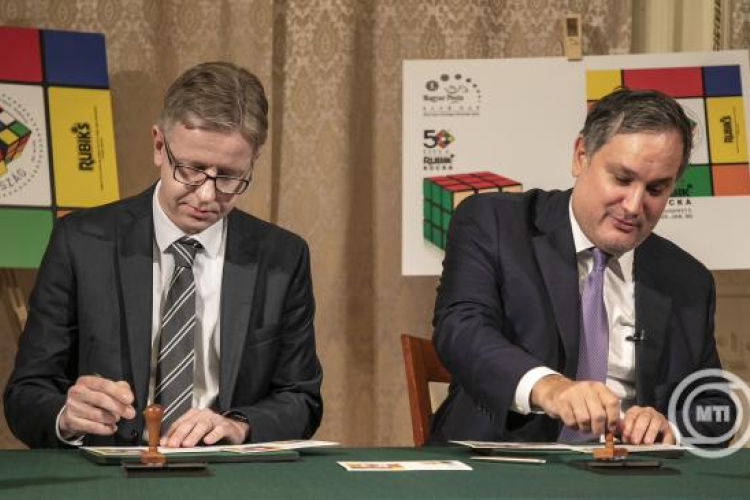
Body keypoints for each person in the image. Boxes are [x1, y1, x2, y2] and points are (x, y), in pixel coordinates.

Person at [4, 62, 323, 448]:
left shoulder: (282, 257)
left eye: (228, 176)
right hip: (112, 466)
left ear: (251, 162)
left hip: (227, 468)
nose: (206, 195)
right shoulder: (81, 242)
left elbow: (301, 398)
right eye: (191, 169)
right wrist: (66, 416)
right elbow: (26, 393)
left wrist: (240, 426)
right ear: (159, 146)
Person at [430, 87, 734, 445]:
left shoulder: (687, 279)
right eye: (622, 179)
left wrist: (671, 428)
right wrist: (549, 387)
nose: (633, 206)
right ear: (580, 156)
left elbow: (714, 407)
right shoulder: (495, 224)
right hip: (501, 462)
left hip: (630, 471)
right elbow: (461, 329)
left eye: (656, 189)